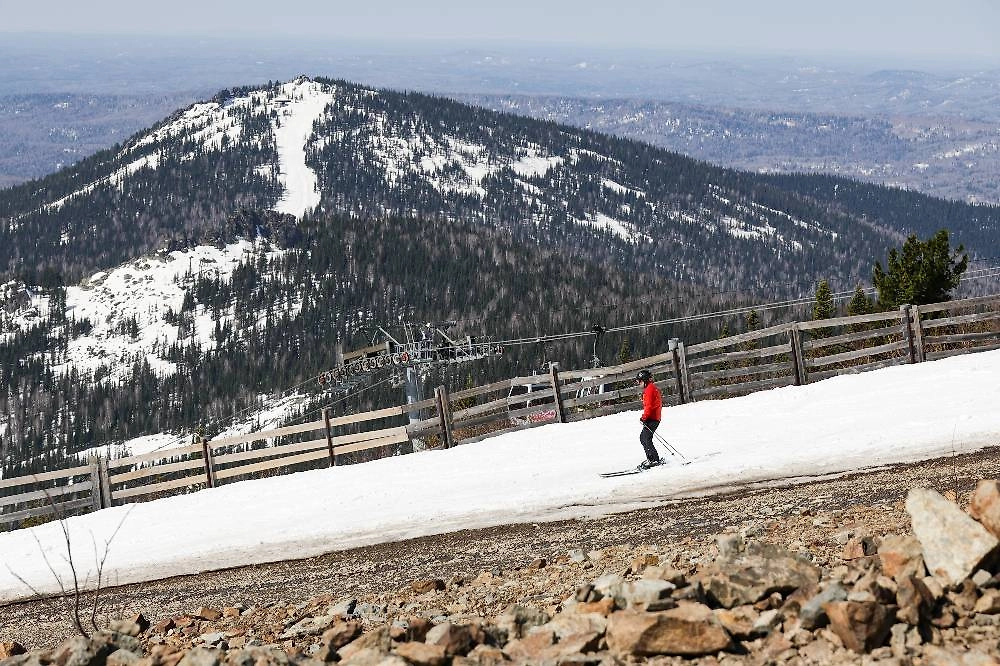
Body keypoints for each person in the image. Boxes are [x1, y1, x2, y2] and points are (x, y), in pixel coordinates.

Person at [636, 369, 662, 469]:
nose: (638, 384)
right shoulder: (650, 388)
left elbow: (649, 406)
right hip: (653, 418)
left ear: (645, 381)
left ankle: (654, 459)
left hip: (652, 418)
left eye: (639, 381)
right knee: (644, 438)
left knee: (645, 438)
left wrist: (644, 418)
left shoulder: (649, 390)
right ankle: (651, 458)